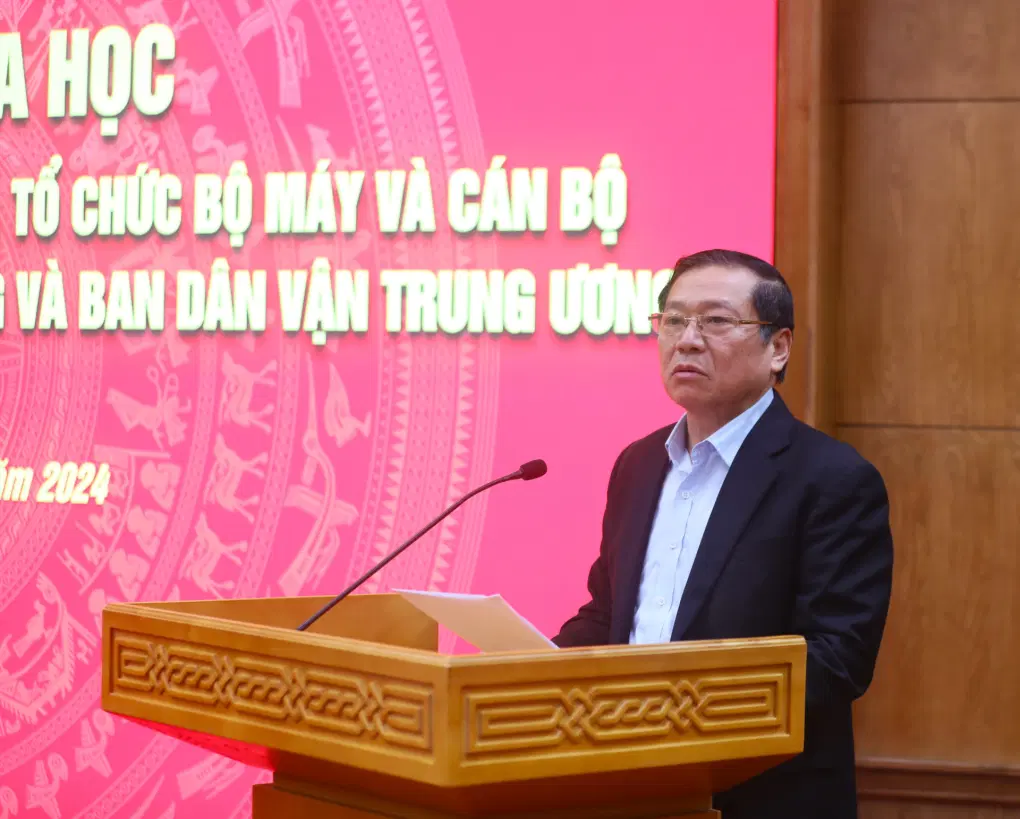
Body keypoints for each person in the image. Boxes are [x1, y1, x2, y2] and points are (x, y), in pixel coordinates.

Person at [553, 249, 894, 819]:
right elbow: (610, 615)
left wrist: (675, 713)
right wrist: (527, 670)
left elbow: (836, 659)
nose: (687, 340)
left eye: (715, 320)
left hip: (758, 794)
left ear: (778, 347)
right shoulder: (638, 464)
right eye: (673, 320)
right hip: (625, 781)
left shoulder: (832, 478)